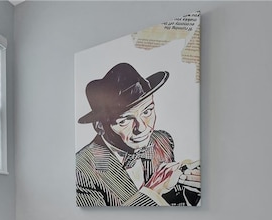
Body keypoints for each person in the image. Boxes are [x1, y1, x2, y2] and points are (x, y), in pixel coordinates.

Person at [76, 62, 200, 206]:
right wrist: (152, 191)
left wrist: (189, 192)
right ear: (99, 126)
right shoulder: (81, 170)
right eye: (124, 121)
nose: (141, 127)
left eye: (147, 111)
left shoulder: (162, 141)